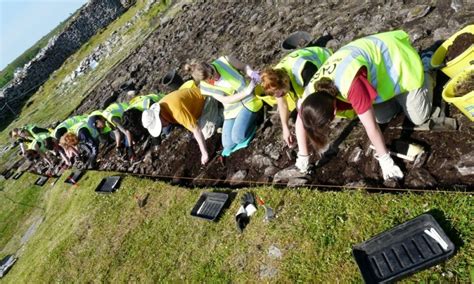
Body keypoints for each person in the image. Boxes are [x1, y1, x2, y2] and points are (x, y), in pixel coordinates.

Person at [297, 30, 434, 180]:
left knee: (419, 117)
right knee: (382, 117)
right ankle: (399, 96)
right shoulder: (311, 94)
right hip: (377, 69)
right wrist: (303, 156)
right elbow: (301, 121)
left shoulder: (350, 84)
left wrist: (385, 160)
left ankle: (425, 65)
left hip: (397, 58)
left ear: (335, 111)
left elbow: (371, 127)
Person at [260, 46, 343, 147]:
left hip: (327, 60)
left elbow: (319, 94)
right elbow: (282, 105)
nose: (281, 96)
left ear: (285, 81)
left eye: (281, 94)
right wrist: (285, 128)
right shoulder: (275, 78)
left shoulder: (302, 71)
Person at [184, 55, 262, 156]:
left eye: (212, 72)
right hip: (232, 110)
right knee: (228, 144)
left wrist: (251, 73)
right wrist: (245, 92)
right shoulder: (204, 87)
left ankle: (256, 117)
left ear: (209, 65)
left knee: (238, 137)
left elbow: (244, 66)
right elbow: (226, 99)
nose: (215, 77)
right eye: (210, 79)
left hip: (249, 102)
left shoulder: (225, 61)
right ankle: (245, 122)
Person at [141, 87, 214, 165]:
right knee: (198, 135)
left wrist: (204, 153)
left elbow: (196, 129)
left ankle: (220, 113)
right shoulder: (163, 109)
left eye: (160, 125)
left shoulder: (176, 110)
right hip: (194, 109)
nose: (162, 127)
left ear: (159, 116)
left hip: (205, 100)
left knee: (206, 134)